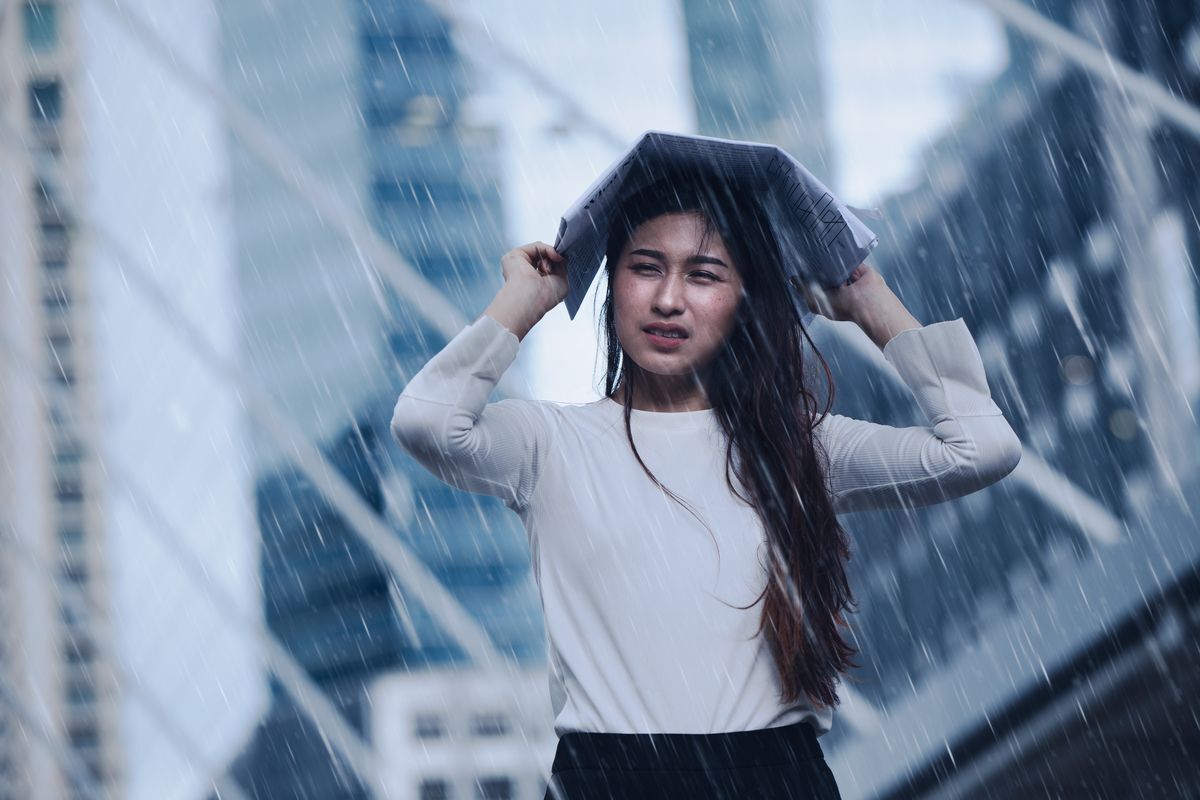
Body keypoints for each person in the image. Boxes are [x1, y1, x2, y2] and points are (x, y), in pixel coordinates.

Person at [390, 174, 1023, 799]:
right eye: (645, 268)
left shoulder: (802, 447)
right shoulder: (549, 444)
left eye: (704, 275)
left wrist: (868, 302)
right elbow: (425, 421)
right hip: (607, 780)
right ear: (613, 288)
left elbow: (982, 448)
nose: (669, 300)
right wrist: (526, 299)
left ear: (744, 299)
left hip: (774, 779)